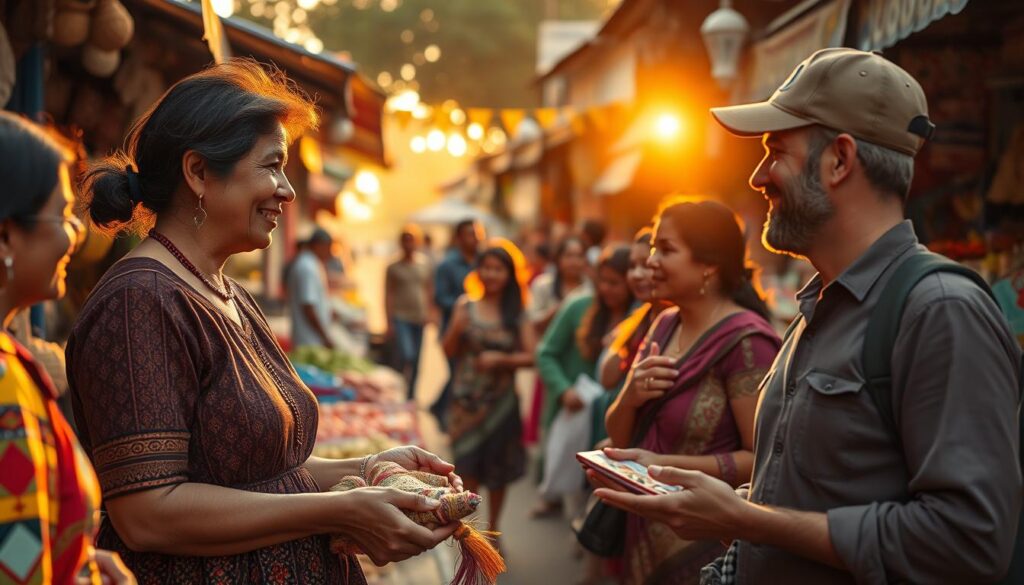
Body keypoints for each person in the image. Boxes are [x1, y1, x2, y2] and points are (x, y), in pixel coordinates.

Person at [592, 48, 1023, 584]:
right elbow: (815, 495)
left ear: (839, 161)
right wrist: (720, 503)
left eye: (777, 151)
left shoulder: (939, 310)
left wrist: (752, 520)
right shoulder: (820, 307)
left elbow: (970, 540)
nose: (758, 177)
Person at [67, 59, 461, 583]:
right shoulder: (140, 301)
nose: (287, 190)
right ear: (199, 173)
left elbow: (273, 476)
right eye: (272, 166)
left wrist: (366, 469)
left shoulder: (227, 291)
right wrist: (342, 509)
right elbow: (148, 513)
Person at [600, 197, 780, 585]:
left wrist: (662, 466)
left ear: (709, 265)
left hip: (708, 544)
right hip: (647, 530)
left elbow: (763, 460)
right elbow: (619, 434)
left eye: (666, 250)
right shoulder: (665, 324)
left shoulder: (748, 344)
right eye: (653, 249)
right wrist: (630, 395)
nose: (650, 262)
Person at [0, 112, 133, 584]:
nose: (74, 234)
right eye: (60, 215)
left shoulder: (13, 360)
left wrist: (77, 561)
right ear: (7, 235)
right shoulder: (4, 388)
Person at [442, 241, 535, 536]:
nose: (492, 274)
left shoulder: (518, 312)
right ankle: (474, 531)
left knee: (498, 472)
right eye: (487, 268)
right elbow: (448, 349)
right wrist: (456, 328)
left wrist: (501, 359)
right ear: (478, 271)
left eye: (499, 269)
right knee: (467, 467)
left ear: (510, 274)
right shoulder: (465, 306)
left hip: (501, 405)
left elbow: (533, 356)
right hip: (465, 404)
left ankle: (493, 531)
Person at [534, 245, 634, 513]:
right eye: (603, 281)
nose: (608, 289)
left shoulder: (641, 315)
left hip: (616, 426)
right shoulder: (579, 306)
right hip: (573, 416)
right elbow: (546, 353)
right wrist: (563, 390)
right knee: (576, 500)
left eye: (616, 283)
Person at [593, 227, 668, 445]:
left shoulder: (673, 320)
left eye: (645, 265)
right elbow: (607, 377)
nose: (636, 275)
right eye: (632, 266)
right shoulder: (640, 317)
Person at [524, 235, 592, 460]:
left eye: (579, 256)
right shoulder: (544, 285)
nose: (574, 261)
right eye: (568, 255)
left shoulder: (592, 288)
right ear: (558, 259)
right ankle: (547, 462)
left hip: (579, 360)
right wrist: (565, 307)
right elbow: (534, 321)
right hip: (551, 356)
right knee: (549, 411)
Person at [429, 218, 483, 425]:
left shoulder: (483, 261)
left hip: (477, 332)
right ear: (459, 238)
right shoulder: (447, 265)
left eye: (478, 234)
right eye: (471, 234)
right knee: (456, 374)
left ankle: (438, 407)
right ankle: (445, 416)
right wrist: (467, 305)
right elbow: (440, 298)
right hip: (454, 330)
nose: (475, 239)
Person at [385, 224, 433, 400]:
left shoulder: (424, 264)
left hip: (419, 317)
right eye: (405, 240)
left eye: (411, 240)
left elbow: (429, 289)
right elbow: (388, 293)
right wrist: (389, 321)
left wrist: (431, 312)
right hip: (401, 316)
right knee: (407, 354)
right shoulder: (394, 267)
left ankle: (411, 394)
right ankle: (400, 388)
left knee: (417, 359)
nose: (408, 244)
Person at [287, 227, 337, 349]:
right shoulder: (307, 267)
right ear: (318, 245)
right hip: (309, 340)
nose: (329, 252)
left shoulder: (311, 263)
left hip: (311, 338)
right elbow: (308, 306)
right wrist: (324, 336)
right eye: (328, 247)